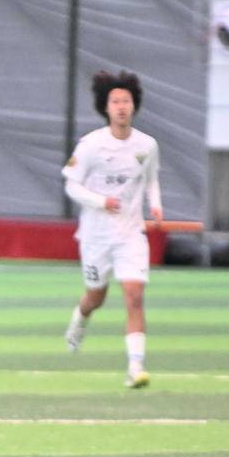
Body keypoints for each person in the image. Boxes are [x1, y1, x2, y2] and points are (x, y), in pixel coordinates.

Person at [63, 70, 162, 388]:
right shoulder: (91, 145)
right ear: (105, 107)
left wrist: (156, 205)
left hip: (131, 234)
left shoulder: (147, 145)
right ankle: (80, 319)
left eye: (126, 101)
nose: (121, 107)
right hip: (96, 236)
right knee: (96, 297)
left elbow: (151, 181)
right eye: (115, 101)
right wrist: (100, 201)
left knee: (134, 296)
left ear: (134, 105)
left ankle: (135, 367)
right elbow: (72, 186)